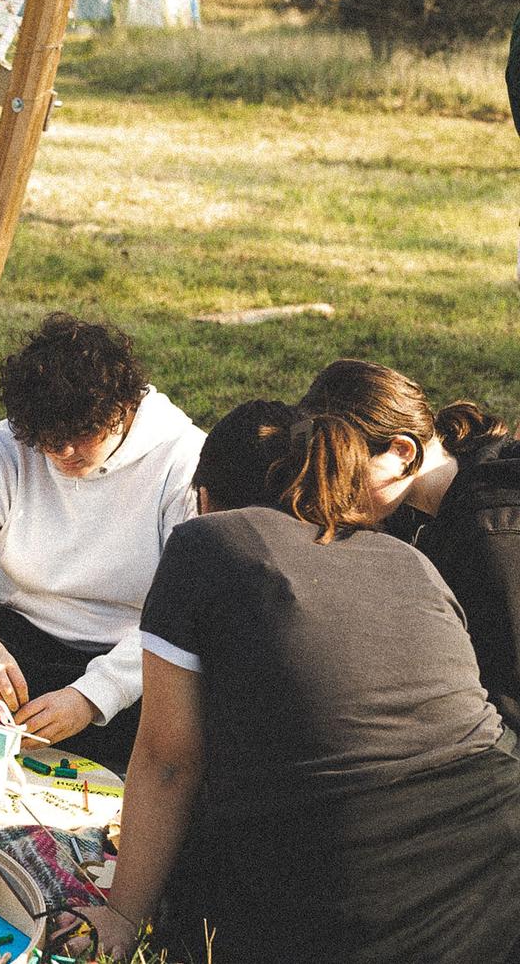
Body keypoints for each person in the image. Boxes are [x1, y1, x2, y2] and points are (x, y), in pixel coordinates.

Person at [87, 401, 520, 964]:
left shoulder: (205, 544)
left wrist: (124, 917)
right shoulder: (409, 557)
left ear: (207, 496)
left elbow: (169, 761)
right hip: (497, 860)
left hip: (347, 887)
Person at [0, 313, 204, 768]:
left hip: (130, 654)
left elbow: (183, 612)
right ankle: (7, 732)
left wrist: (91, 698)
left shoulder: (183, 459)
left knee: (190, 706)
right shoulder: (6, 442)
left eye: (80, 437)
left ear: (123, 408)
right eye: (48, 441)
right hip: (17, 635)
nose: (63, 453)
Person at [300, 359, 520, 728]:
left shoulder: (493, 539)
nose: (330, 495)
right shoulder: (412, 513)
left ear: (403, 452)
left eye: (344, 474)